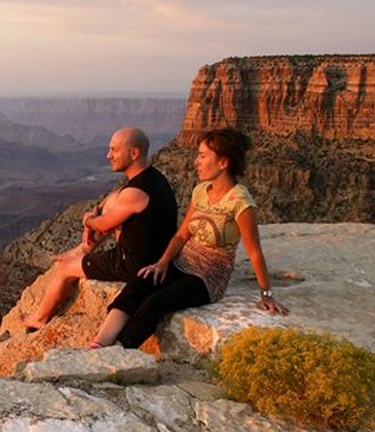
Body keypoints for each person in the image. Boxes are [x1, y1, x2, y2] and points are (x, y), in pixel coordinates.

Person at [88, 127, 288, 350]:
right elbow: (182, 235)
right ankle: (99, 343)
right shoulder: (201, 191)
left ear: (223, 162)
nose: (196, 162)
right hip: (182, 262)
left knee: (157, 302)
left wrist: (267, 294)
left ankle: (120, 350)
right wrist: (162, 263)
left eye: (203, 156)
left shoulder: (241, 203)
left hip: (209, 276)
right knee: (140, 284)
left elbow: (254, 252)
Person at [22, 126, 177, 330]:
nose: (108, 155)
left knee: (64, 269)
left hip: (133, 264)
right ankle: (83, 250)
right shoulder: (153, 178)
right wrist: (98, 209)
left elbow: (104, 224)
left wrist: (88, 220)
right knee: (113, 201)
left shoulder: (136, 193)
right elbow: (114, 200)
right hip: (154, 255)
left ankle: (39, 319)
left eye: (114, 150)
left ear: (134, 153)